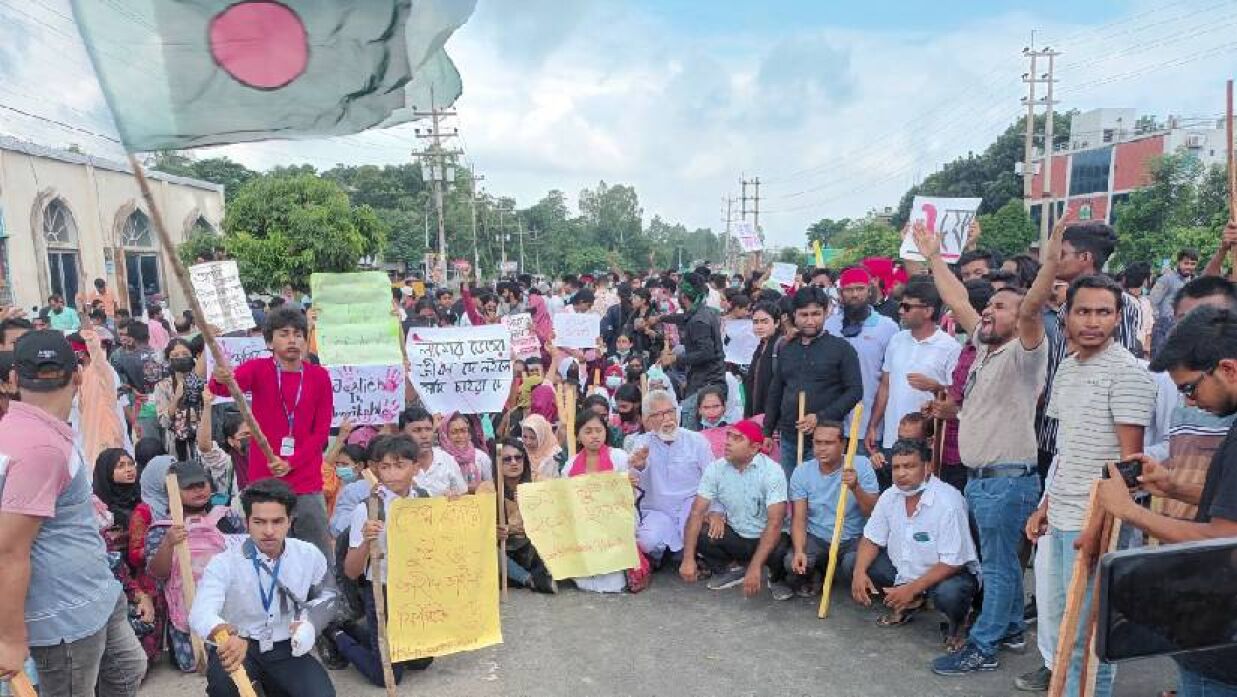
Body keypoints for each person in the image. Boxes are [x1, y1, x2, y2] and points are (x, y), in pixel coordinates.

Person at [913, 218, 1053, 675]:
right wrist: (935, 256)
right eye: (988, 305)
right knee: (1002, 564)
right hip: (985, 482)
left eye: (1001, 307)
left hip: (1006, 482)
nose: (989, 311)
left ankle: (984, 645)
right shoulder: (987, 346)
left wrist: (1049, 265)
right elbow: (956, 297)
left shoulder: (1026, 351)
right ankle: (1011, 628)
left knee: (997, 567)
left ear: (1023, 317)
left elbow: (1031, 310)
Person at [1095, 304, 1237, 695]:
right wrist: (1173, 488)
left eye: (1190, 387)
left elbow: (1227, 542)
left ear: (1227, 369)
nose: (1189, 401)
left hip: (1223, 655)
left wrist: (1129, 512)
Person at [1027, 273, 1157, 697]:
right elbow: (1066, 448)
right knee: (1065, 627)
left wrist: (1102, 526)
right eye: (1084, 311)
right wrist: (1045, 504)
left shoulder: (1129, 374)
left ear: (1119, 318)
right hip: (1062, 513)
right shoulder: (1067, 367)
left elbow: (1130, 468)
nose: (1093, 321)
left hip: (1100, 523)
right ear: (1067, 316)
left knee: (1088, 636)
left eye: (1104, 312)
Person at [0, 330, 146, 696]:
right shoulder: (39, 447)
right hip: (64, 612)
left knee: (128, 666)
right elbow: (9, 550)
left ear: (15, 379)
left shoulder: (33, 431)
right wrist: (11, 639)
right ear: (78, 375)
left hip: (94, 593)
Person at [189, 478, 338, 697]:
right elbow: (200, 612)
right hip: (239, 645)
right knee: (224, 689)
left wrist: (310, 624)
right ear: (247, 522)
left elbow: (328, 595)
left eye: (277, 521)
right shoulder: (224, 562)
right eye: (259, 522)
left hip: (287, 647)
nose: (269, 531)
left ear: (290, 521)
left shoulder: (309, 555)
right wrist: (224, 634)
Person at [209, 308, 334, 557]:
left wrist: (291, 462)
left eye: (298, 334)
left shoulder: (319, 376)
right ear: (269, 341)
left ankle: (324, 596)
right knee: (268, 554)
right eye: (284, 334)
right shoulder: (257, 369)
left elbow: (320, 433)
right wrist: (218, 376)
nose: (292, 340)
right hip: (264, 481)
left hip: (307, 482)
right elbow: (223, 389)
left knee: (317, 554)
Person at [847, 439, 979, 647]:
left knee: (951, 593)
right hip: (905, 570)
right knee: (855, 562)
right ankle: (909, 602)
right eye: (897, 467)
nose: (901, 473)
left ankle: (957, 624)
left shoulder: (947, 502)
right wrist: (858, 573)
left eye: (909, 466)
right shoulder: (890, 495)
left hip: (946, 575)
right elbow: (871, 538)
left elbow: (954, 561)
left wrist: (912, 588)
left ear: (927, 467)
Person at [337, 435, 434, 686]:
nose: (392, 474)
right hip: (382, 590)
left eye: (399, 465)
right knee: (387, 677)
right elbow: (351, 571)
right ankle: (337, 635)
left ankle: (364, 633)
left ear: (415, 467)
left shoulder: (424, 499)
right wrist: (368, 541)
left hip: (415, 589)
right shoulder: (368, 509)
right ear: (376, 469)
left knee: (421, 662)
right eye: (385, 466)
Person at [147, 460, 246, 672]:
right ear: (172, 491)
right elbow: (158, 573)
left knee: (234, 657)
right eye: (189, 487)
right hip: (185, 617)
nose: (198, 490)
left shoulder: (227, 519)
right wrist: (168, 543)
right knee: (195, 664)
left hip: (229, 608)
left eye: (201, 484)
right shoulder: (162, 529)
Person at [867, 274, 961, 489]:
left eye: (907, 307)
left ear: (928, 311)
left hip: (926, 442)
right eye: (901, 305)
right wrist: (873, 425)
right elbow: (885, 384)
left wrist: (936, 387)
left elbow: (956, 397)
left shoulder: (949, 347)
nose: (900, 311)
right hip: (893, 438)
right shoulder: (897, 340)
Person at [679, 419, 790, 598]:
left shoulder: (773, 472)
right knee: (700, 529)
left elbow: (775, 523)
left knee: (782, 548)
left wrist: (754, 569)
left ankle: (775, 578)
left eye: (737, 438)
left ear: (754, 448)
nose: (728, 441)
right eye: (729, 436)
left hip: (765, 536)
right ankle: (731, 570)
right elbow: (696, 512)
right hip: (737, 535)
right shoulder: (716, 469)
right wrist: (688, 559)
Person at [765, 285, 863, 480]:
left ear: (826, 313)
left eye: (816, 314)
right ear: (794, 315)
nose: (810, 321)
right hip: (789, 438)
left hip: (826, 439)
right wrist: (767, 430)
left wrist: (820, 417)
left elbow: (854, 391)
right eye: (804, 314)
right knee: (793, 492)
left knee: (819, 495)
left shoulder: (842, 349)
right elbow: (776, 390)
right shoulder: (787, 348)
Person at [782, 421, 879, 600]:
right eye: (818, 443)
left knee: (855, 565)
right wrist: (799, 550)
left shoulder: (862, 465)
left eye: (829, 443)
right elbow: (799, 519)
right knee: (792, 562)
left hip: (853, 538)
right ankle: (818, 573)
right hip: (817, 537)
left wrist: (855, 487)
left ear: (843, 444)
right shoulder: (802, 472)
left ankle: (842, 573)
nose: (822, 449)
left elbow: (871, 512)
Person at [628, 389, 713, 568]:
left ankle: (681, 554)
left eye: (670, 411)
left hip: (690, 506)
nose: (667, 419)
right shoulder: (641, 444)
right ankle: (665, 553)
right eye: (658, 414)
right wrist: (640, 466)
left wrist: (717, 511)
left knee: (699, 533)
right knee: (645, 541)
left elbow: (712, 480)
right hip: (657, 510)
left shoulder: (697, 441)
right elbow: (633, 483)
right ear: (648, 420)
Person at [824, 267, 899, 450]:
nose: (855, 294)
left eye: (860, 288)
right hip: (833, 427)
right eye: (849, 290)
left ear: (869, 290)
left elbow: (889, 381)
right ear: (841, 293)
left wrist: (874, 424)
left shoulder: (887, 328)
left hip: (869, 427)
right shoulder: (830, 325)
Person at [560, 410, 634, 593]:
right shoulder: (571, 464)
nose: (594, 436)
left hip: (615, 519)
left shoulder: (619, 457)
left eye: (598, 430)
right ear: (578, 436)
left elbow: (629, 494)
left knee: (614, 583)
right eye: (588, 431)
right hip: (583, 521)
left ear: (605, 432)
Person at [659, 272, 726, 430]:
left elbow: (706, 353)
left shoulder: (699, 321)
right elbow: (684, 318)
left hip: (707, 382)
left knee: (691, 430)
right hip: (705, 379)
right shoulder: (704, 311)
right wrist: (661, 319)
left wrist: (676, 358)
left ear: (683, 296)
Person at [494, 438, 556, 593]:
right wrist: (494, 531)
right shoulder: (488, 489)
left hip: (531, 545)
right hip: (504, 550)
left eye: (518, 457)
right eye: (507, 459)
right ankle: (529, 580)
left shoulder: (539, 483)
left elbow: (555, 510)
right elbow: (480, 526)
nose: (514, 462)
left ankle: (542, 576)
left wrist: (531, 504)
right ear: (497, 463)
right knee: (488, 549)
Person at [154, 337, 206, 460]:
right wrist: (176, 397)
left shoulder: (202, 381)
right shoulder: (162, 386)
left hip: (202, 439)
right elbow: (164, 422)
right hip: (176, 444)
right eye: (175, 355)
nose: (181, 358)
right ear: (168, 359)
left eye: (185, 354)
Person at [197, 389, 250, 503]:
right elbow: (205, 447)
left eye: (253, 434)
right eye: (245, 434)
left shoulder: (266, 459)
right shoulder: (226, 463)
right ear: (231, 441)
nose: (251, 439)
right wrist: (207, 406)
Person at [399, 407, 468, 496]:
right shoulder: (393, 464)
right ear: (401, 434)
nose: (424, 436)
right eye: (416, 430)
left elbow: (463, 495)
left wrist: (453, 497)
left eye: (428, 429)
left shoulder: (447, 460)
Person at [1148, 248, 1199, 354]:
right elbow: (1152, 301)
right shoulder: (1166, 279)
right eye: (1186, 263)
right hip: (1164, 327)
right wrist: (1159, 322)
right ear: (1179, 262)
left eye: (1192, 264)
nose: (1189, 267)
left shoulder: (1195, 281)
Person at [743, 301, 782, 419]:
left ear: (776, 323)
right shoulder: (761, 346)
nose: (759, 326)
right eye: (755, 322)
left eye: (765, 322)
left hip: (774, 418)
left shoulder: (782, 346)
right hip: (758, 416)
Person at [438, 412, 493, 493]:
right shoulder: (439, 459)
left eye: (463, 431)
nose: (460, 436)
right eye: (454, 432)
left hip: (479, 503)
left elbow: (490, 486)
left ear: (469, 434)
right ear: (445, 435)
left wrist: (480, 487)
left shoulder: (481, 457)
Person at [522, 413, 565, 481]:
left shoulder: (556, 456)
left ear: (542, 437)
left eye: (533, 438)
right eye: (525, 437)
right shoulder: (521, 452)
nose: (528, 442)